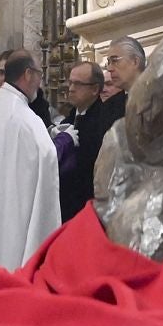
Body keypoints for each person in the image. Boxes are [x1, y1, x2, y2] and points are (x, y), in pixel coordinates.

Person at [0, 51, 61, 269]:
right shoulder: (22, 117)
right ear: (28, 74)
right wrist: (64, 140)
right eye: (39, 74)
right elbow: (46, 156)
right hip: (13, 215)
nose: (41, 81)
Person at [59, 60, 117, 222]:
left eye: (78, 84)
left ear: (94, 89)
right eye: (70, 82)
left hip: (88, 208)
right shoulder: (68, 121)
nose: (71, 89)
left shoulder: (104, 123)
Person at [102, 36, 145, 103]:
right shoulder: (109, 106)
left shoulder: (162, 96)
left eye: (114, 60)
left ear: (135, 61)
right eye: (109, 62)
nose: (109, 68)